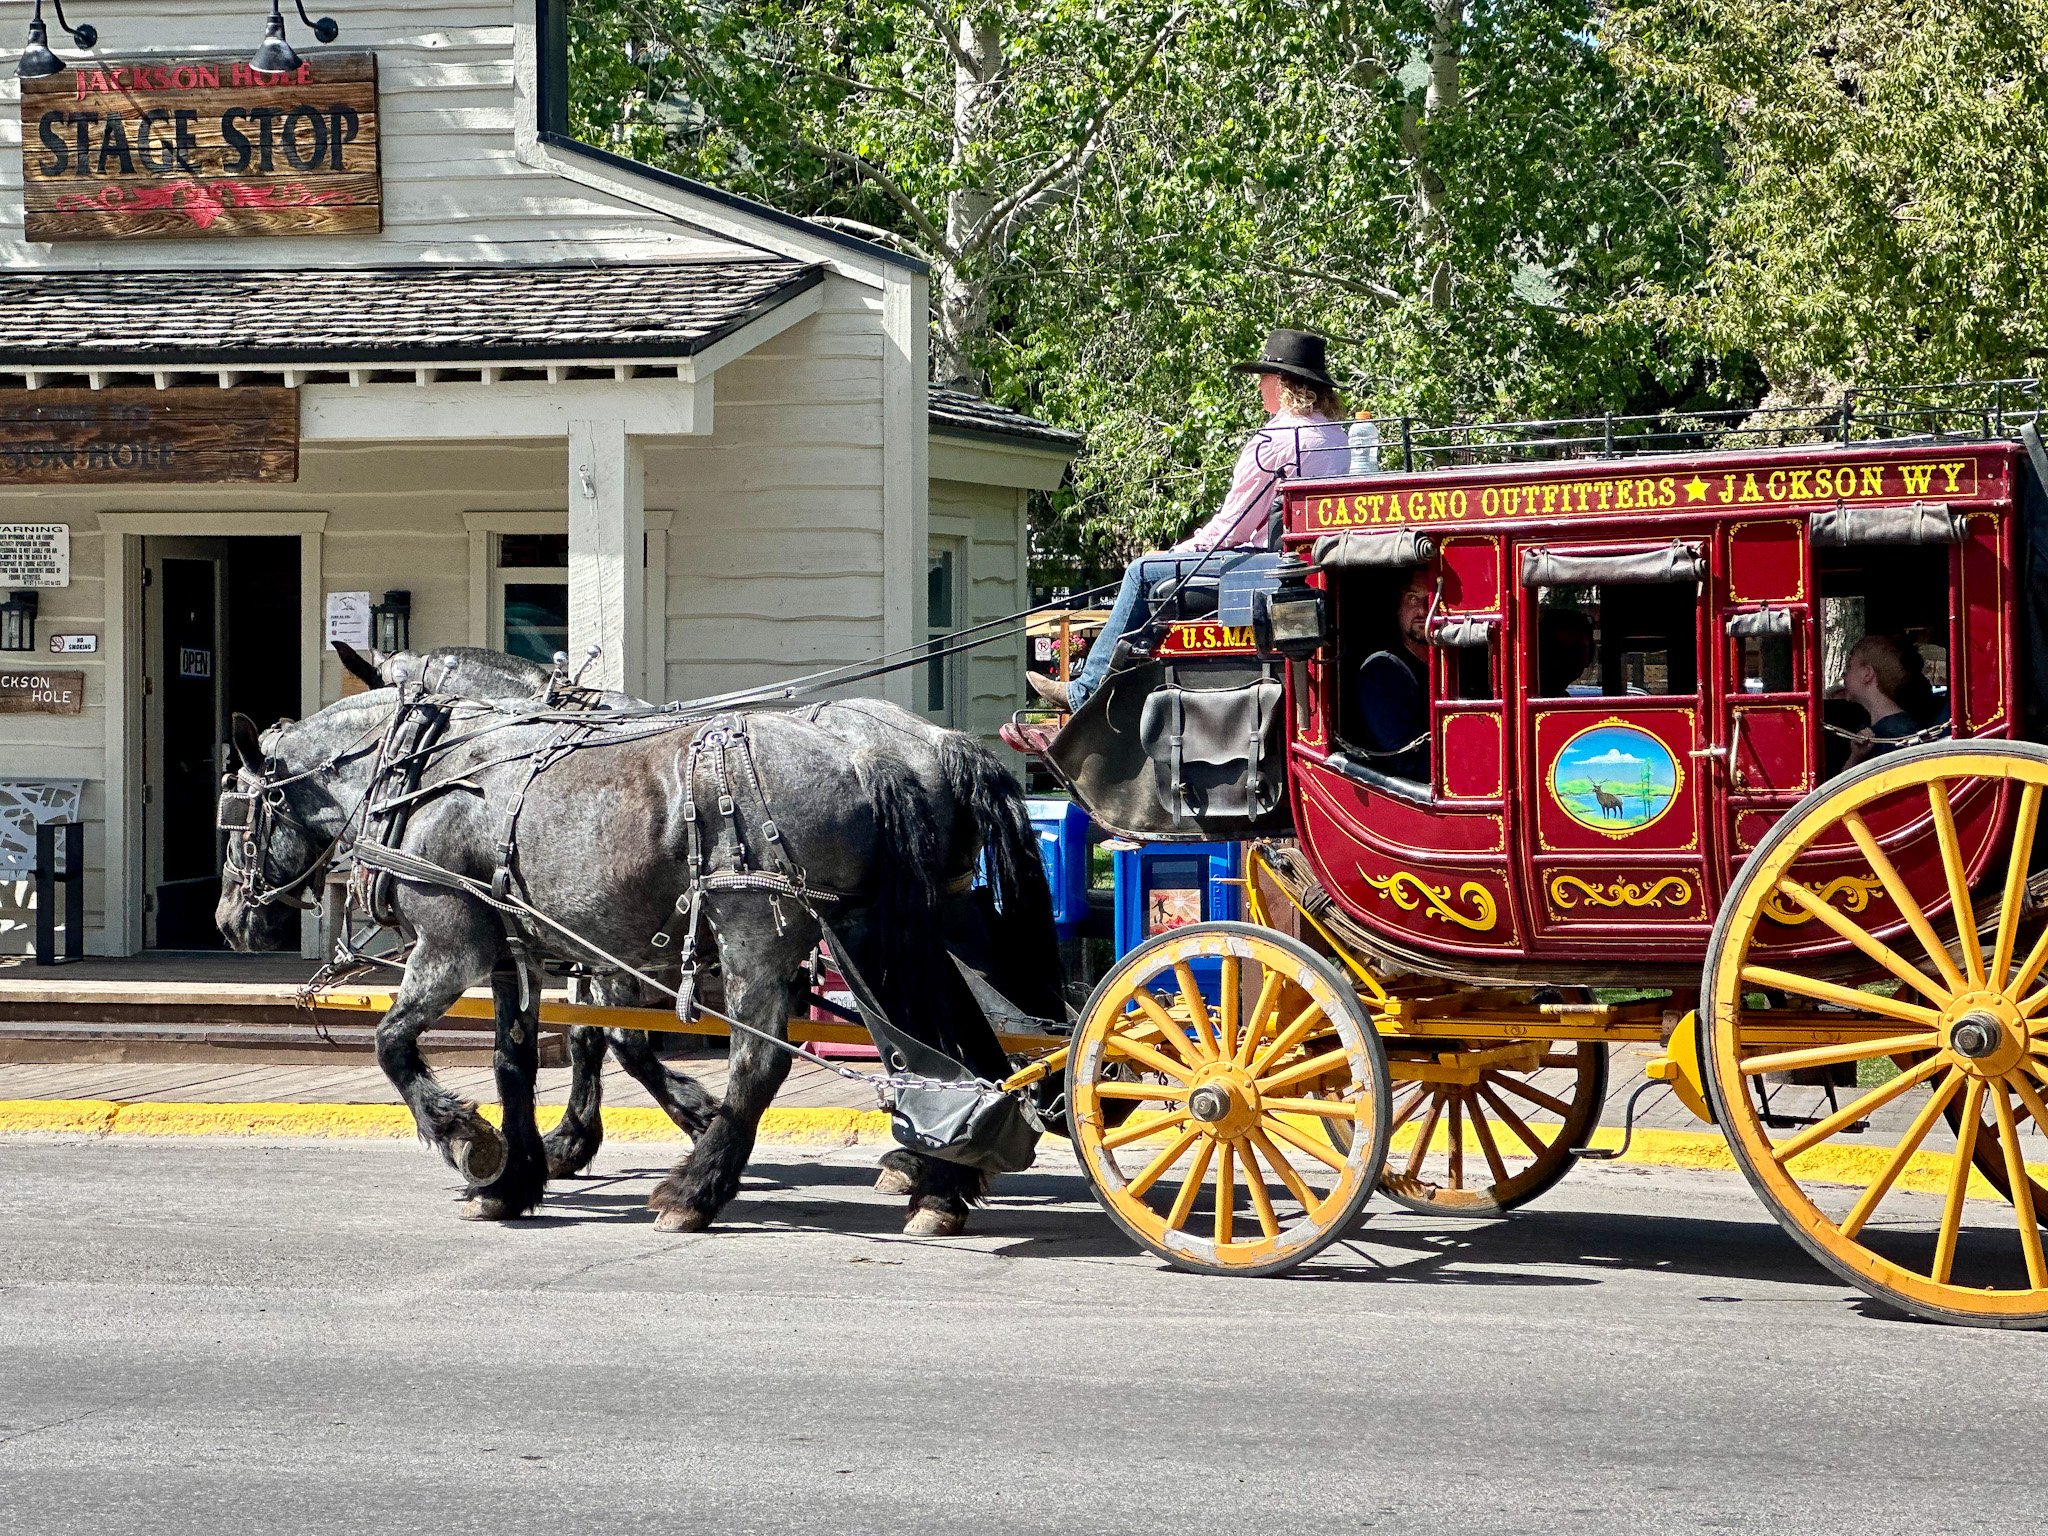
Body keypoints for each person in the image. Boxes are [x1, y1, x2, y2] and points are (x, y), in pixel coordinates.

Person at [1009, 330, 1348, 739]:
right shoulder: (1337, 437)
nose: (1259, 386)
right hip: (1313, 572)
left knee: (1142, 572)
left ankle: (1086, 691)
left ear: (1282, 382)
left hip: (1265, 575)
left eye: (1264, 377)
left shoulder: (1273, 442)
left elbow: (1230, 528)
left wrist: (1176, 552)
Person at [1354, 568, 1432, 782]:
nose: (1424, 610)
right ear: (1398, 607)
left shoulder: (1459, 667)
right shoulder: (1383, 670)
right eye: (1413, 598)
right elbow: (1404, 758)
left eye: (1433, 597)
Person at [1840, 633, 1941, 769]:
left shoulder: (1899, 733)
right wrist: (1856, 756)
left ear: (1867, 674)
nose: (1843, 674)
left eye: (1849, 666)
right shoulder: (1876, 727)